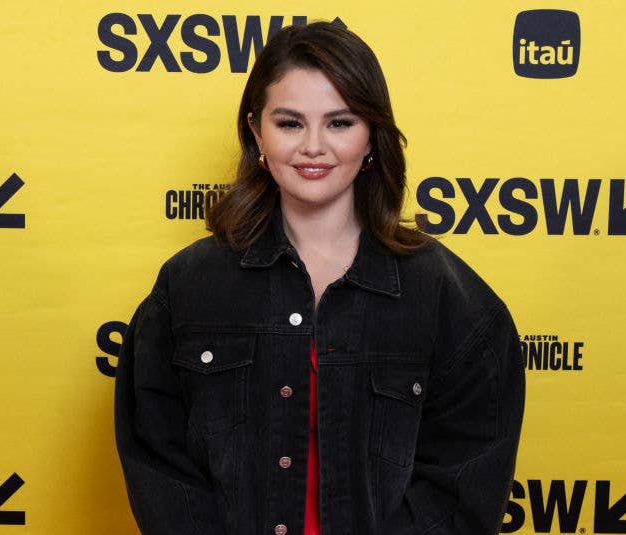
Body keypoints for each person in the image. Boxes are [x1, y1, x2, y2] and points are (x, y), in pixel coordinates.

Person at [115, 21, 525, 535]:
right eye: (289, 123)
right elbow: (159, 462)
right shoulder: (188, 285)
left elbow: (467, 475)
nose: (313, 146)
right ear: (255, 131)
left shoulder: (444, 295)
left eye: (339, 122)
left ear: (371, 134)